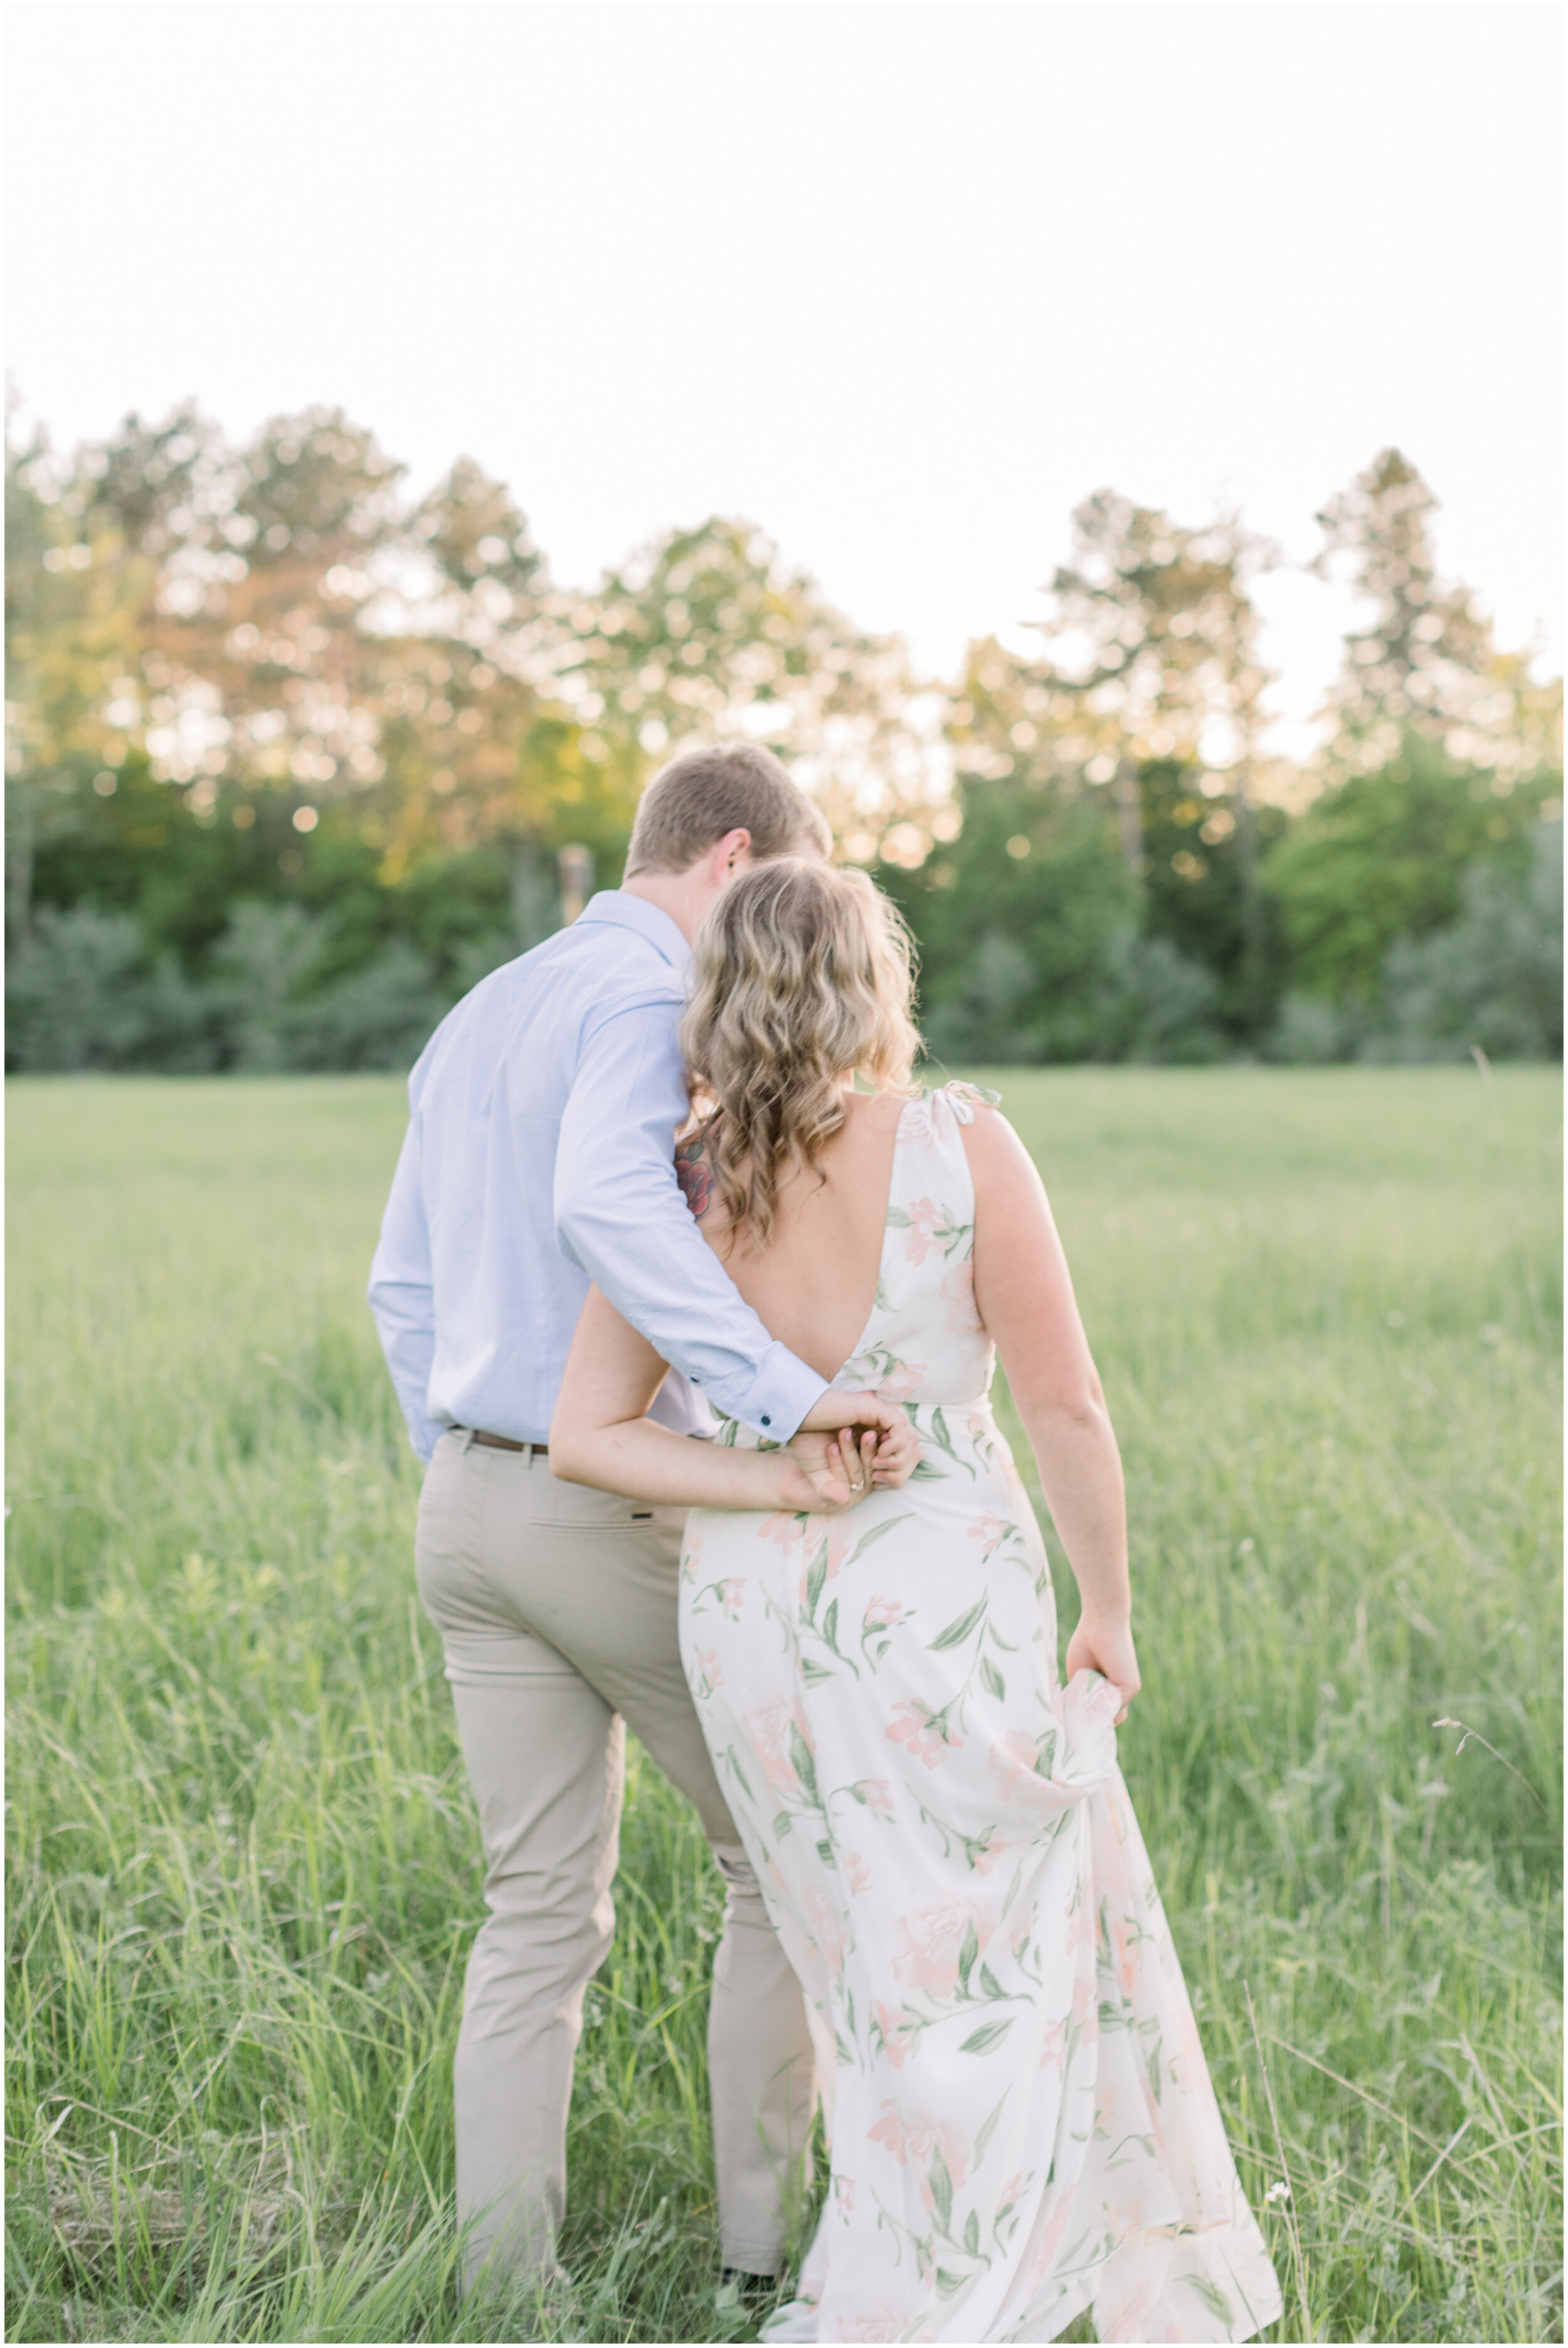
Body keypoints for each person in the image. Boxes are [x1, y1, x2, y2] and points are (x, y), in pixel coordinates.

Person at [551, 859, 1285, 2344]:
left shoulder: (684, 1181)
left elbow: (590, 1435)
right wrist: (1109, 1609)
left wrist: (770, 1481)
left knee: (864, 1966)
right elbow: (1062, 1401)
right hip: (940, 1592)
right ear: (869, 985)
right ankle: (970, 2283)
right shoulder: (959, 1143)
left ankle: (906, 2262)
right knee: (996, 1945)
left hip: (755, 1619)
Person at [366, 741, 916, 2298]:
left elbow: (397, 1282)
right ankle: (760, 2263)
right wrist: (773, 1391)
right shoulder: (633, 996)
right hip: (587, 1503)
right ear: (737, 860)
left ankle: (502, 2290)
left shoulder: (487, 1004)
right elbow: (612, 1203)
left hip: (464, 1508)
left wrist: (460, 1454)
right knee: (780, 1861)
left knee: (533, 1914)